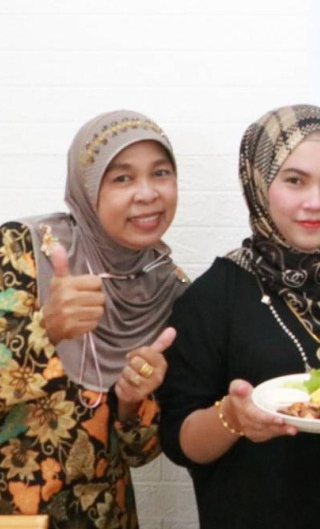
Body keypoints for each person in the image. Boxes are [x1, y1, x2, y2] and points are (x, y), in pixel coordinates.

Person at [156, 105, 320, 528]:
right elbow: (179, 442)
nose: (316, 202)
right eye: (295, 180)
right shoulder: (212, 296)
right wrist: (232, 418)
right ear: (258, 182)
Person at [0, 110, 186, 527]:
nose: (147, 193)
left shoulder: (170, 291)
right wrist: (46, 329)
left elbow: (140, 454)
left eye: (160, 173)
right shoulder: (22, 251)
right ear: (87, 186)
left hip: (106, 517)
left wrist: (133, 402)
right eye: (122, 178)